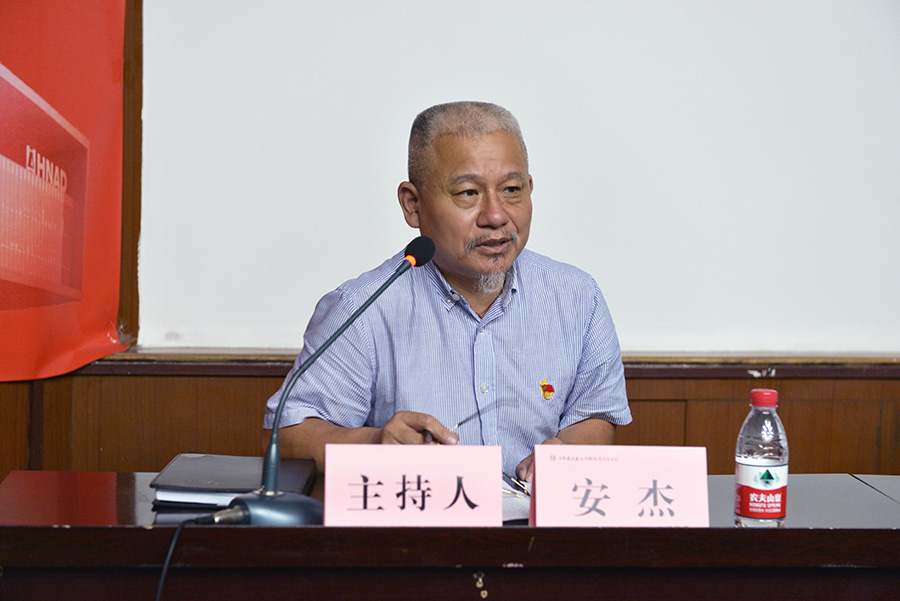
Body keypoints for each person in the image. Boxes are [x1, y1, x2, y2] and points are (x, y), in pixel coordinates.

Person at [264, 101, 631, 483]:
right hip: (417, 518)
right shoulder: (363, 309)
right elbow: (285, 437)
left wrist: (565, 453)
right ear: (413, 205)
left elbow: (593, 414)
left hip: (534, 520)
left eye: (511, 190)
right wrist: (375, 444)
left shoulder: (577, 298)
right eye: (468, 193)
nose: (496, 216)